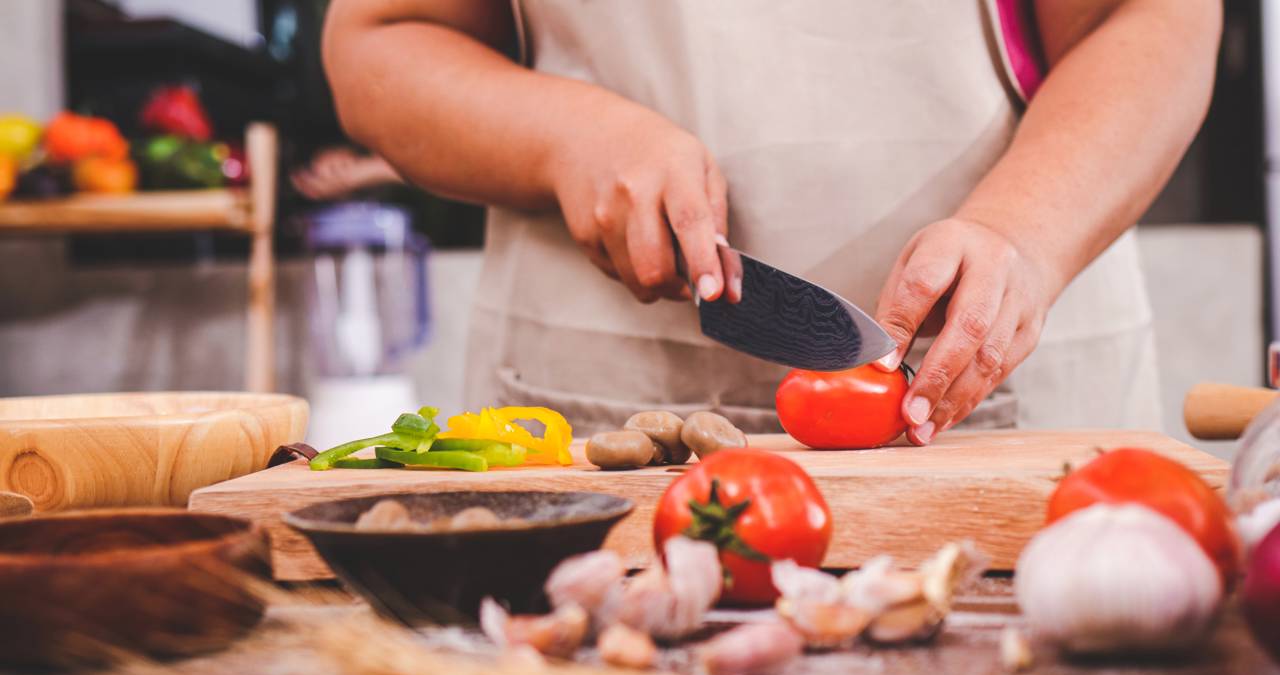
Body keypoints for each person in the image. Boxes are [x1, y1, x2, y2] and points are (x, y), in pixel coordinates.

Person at [322, 0, 1220, 442]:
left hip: (1003, 398)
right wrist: (567, 138)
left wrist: (1024, 234)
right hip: (596, 416)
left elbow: (1152, 16)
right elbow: (381, 39)